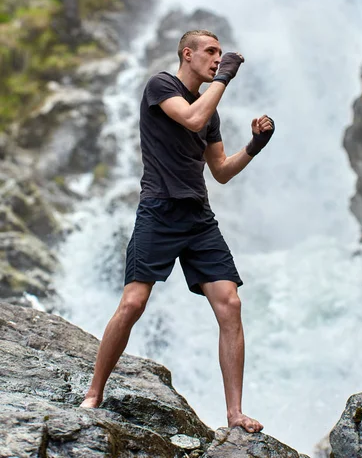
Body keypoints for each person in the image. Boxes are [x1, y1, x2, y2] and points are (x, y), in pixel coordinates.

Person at [81, 29, 275, 433]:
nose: (217, 59)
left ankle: (235, 413)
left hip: (198, 218)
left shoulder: (211, 111)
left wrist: (256, 144)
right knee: (133, 303)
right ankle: (94, 393)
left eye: (221, 54)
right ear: (186, 54)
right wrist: (224, 78)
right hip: (158, 210)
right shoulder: (161, 85)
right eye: (210, 52)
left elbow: (220, 171)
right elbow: (191, 117)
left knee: (231, 304)